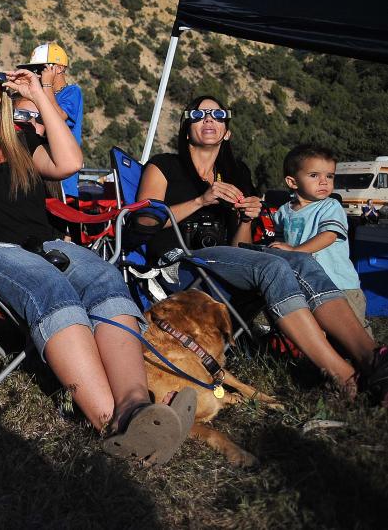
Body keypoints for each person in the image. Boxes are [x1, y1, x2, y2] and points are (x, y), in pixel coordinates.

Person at [0, 54, 195, 466]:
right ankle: (112, 422)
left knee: (106, 278)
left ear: (2, 91)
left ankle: (136, 404)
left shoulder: (21, 141)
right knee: (51, 289)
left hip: (42, 243)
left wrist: (38, 93)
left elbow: (70, 163)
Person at [137, 97, 387, 406]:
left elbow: (237, 247)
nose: (209, 119)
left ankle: (373, 361)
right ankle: (344, 375)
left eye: (217, 114)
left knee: (297, 259)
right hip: (180, 261)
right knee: (273, 267)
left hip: (222, 261)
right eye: (199, 115)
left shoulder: (237, 172)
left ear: (227, 131)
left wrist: (246, 217)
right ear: (187, 127)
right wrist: (201, 201)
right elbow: (144, 221)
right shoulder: (164, 165)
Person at [271, 144, 372, 336]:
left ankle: (370, 359)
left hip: (339, 284)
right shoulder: (284, 211)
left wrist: (294, 251)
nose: (324, 181)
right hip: (308, 285)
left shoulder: (330, 206)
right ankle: (327, 365)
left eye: (330, 176)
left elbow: (329, 236)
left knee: (353, 330)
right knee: (320, 332)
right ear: (292, 182)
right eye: (314, 175)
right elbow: (280, 240)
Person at [20, 43, 83, 198]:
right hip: (41, 167)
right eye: (34, 70)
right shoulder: (38, 93)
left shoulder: (72, 92)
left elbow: (58, 117)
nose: (38, 74)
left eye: (42, 68)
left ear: (59, 68)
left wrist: (46, 86)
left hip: (63, 179)